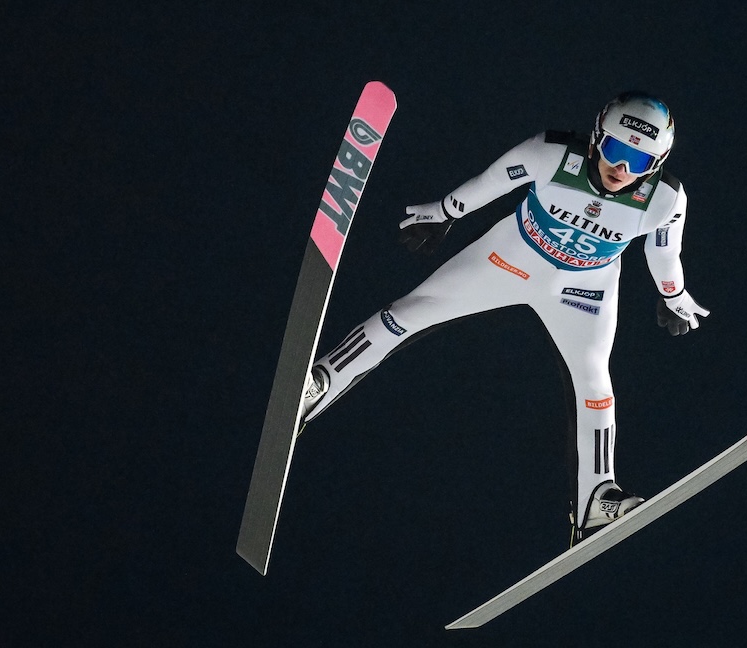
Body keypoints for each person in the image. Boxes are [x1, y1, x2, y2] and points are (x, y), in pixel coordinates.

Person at [301, 91, 709, 545]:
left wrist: (674, 295)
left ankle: (596, 498)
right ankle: (320, 383)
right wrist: (444, 212)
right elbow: (491, 181)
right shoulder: (551, 154)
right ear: (597, 137)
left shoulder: (664, 199)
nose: (623, 168)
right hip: (509, 259)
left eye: (641, 160)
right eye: (615, 149)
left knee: (595, 385)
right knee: (406, 315)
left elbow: (664, 253)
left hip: (584, 291)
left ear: (657, 163)